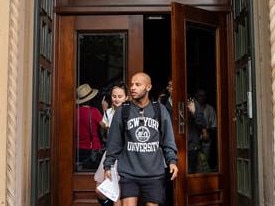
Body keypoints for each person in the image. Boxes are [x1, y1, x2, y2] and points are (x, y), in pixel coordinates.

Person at [103, 72, 178, 206]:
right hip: (129, 173)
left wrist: (172, 161)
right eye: (132, 84)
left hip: (154, 174)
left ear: (148, 87)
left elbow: (168, 139)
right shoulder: (123, 111)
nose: (132, 87)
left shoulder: (159, 110)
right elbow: (114, 141)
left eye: (138, 85)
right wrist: (108, 164)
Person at [95, 82, 128, 206]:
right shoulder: (108, 112)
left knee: (117, 193)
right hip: (109, 152)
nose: (116, 99)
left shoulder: (129, 112)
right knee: (100, 190)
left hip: (123, 154)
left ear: (126, 97)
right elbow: (104, 127)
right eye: (114, 96)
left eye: (120, 96)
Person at [76, 83, 104, 170]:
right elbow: (105, 126)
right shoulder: (94, 111)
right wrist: (105, 110)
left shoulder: (75, 112)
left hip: (77, 148)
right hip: (93, 148)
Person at [195, 89, 217, 170]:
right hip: (194, 137)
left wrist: (206, 134)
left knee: (205, 162)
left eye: (204, 96)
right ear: (197, 97)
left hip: (207, 137)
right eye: (200, 95)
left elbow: (214, 126)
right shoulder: (193, 107)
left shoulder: (210, 109)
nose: (202, 98)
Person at [186, 96, 208, 173]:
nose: (171, 88)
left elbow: (202, 123)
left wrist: (194, 112)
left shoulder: (193, 103)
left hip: (192, 146)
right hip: (175, 146)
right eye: (169, 86)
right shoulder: (165, 102)